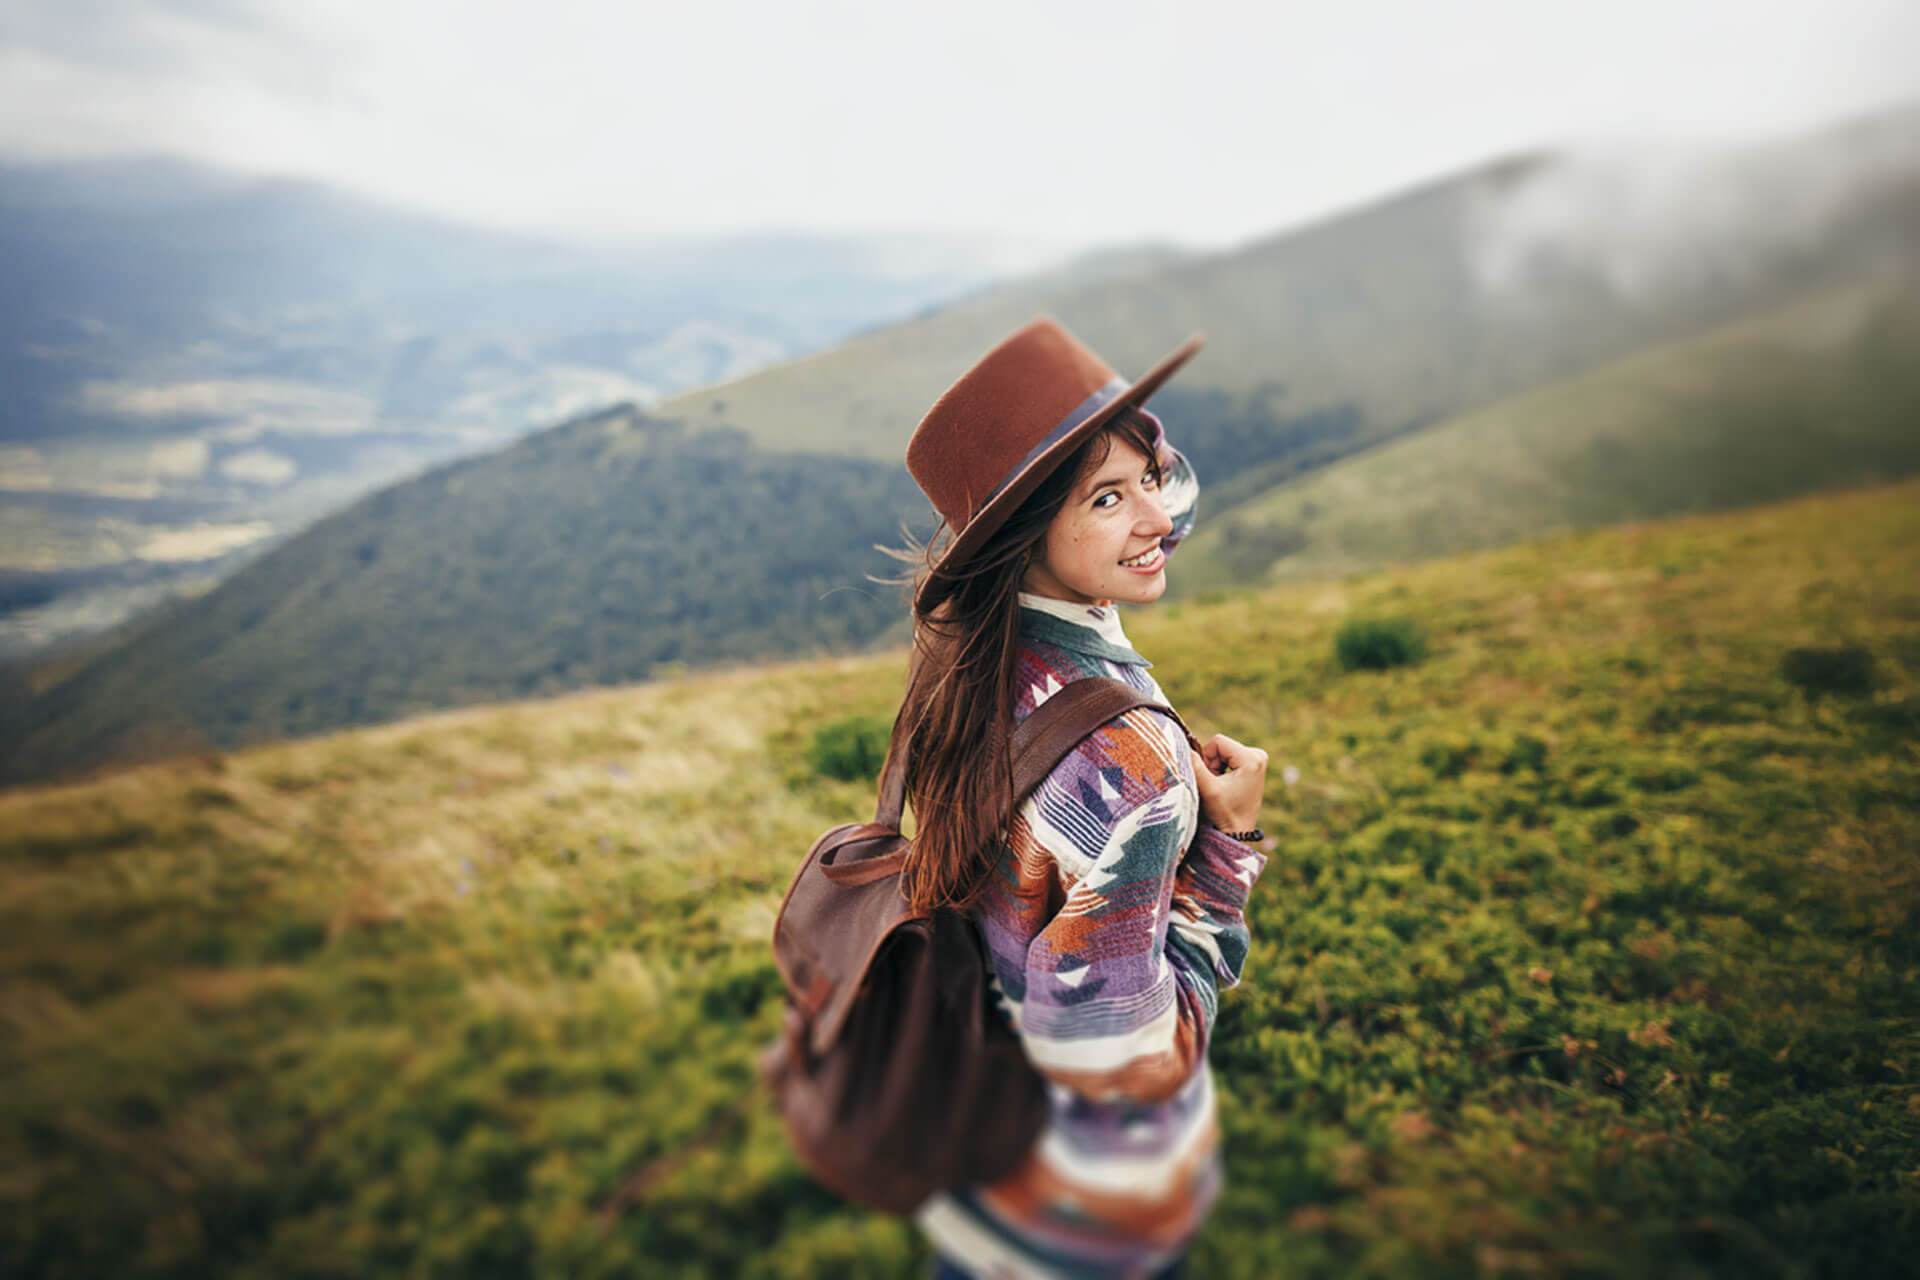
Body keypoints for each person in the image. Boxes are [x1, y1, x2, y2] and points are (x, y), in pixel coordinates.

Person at [890, 318, 1271, 1278]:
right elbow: (1124, 1064)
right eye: (1108, 499)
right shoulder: (1131, 761)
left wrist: (1116, 459)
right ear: (1028, 534)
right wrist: (1224, 852)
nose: (1157, 518)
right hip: (1086, 1223)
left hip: (983, 1162)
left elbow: (1161, 505)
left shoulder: (976, 662)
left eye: (1148, 476)